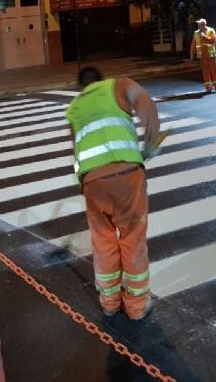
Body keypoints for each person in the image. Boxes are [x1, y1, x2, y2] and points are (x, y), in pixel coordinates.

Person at [65, 66, 162, 321]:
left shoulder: (74, 108)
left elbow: (76, 150)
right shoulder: (118, 85)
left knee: (103, 240)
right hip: (127, 175)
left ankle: (109, 303)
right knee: (132, 238)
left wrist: (83, 182)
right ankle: (137, 305)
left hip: (92, 182)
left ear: (81, 87)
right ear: (101, 80)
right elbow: (146, 103)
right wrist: (151, 143)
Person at [188, 18, 216, 93]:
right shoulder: (196, 33)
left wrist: (204, 36)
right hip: (202, 56)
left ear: (203, 25)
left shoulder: (211, 30)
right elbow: (193, 44)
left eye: (199, 24)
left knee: (214, 71)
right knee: (205, 72)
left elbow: (212, 40)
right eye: (198, 24)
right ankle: (208, 88)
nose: (198, 25)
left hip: (211, 55)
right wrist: (191, 54)